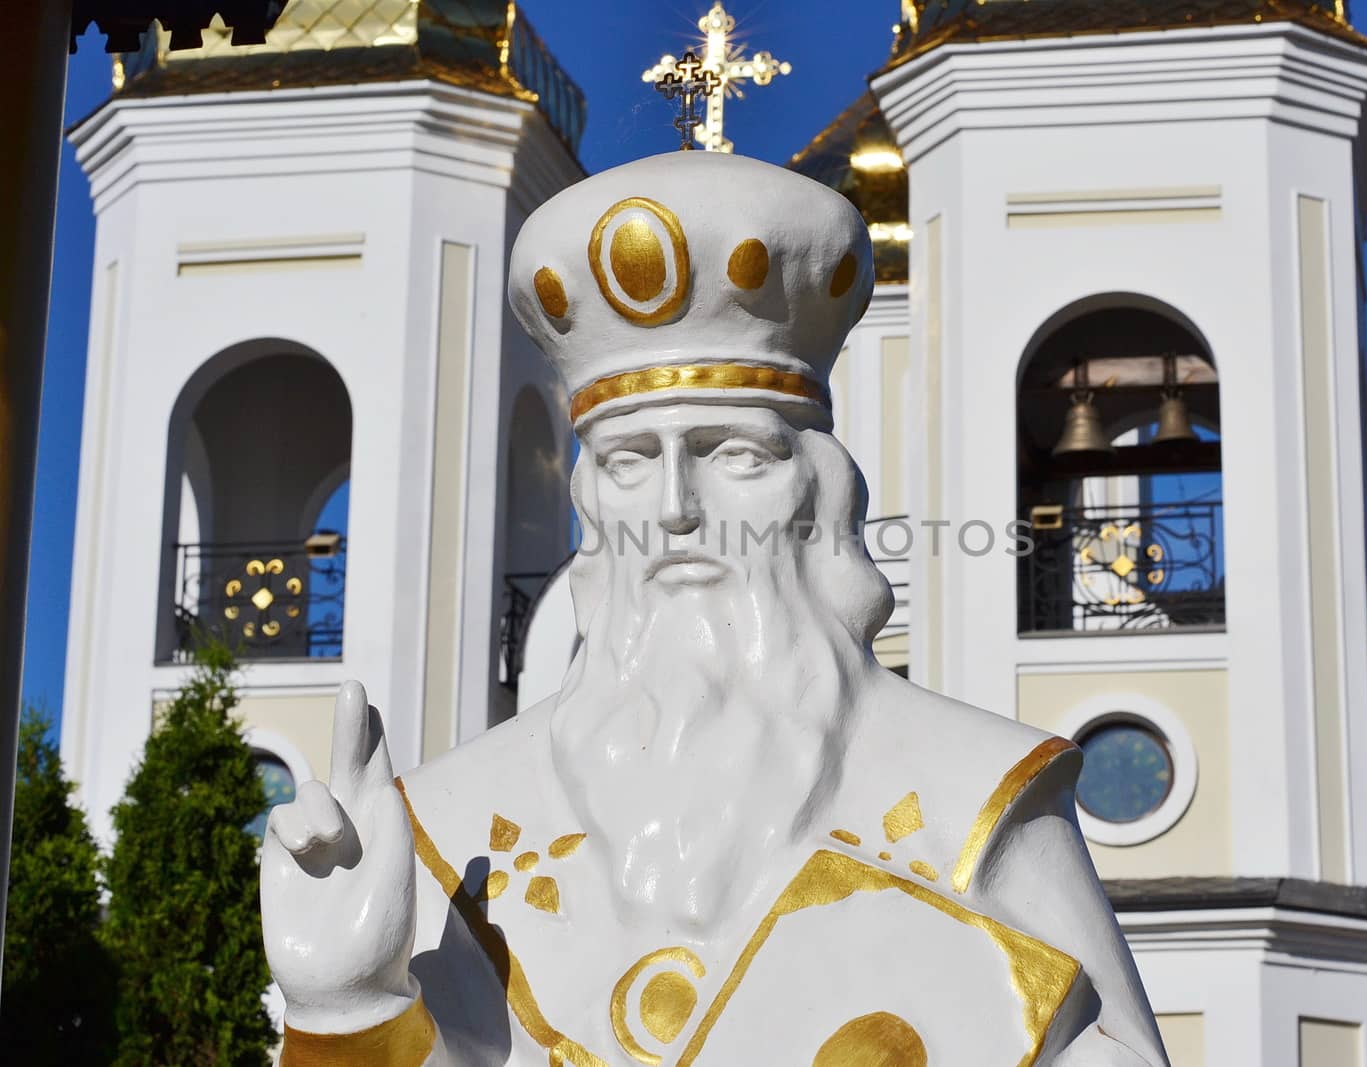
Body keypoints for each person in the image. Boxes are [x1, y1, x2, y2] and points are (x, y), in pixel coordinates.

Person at [261, 151, 1167, 1066]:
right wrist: (348, 1013)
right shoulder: (453, 829)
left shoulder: (978, 794)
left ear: (817, 496)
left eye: (731, 453)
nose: (674, 508)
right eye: (628, 463)